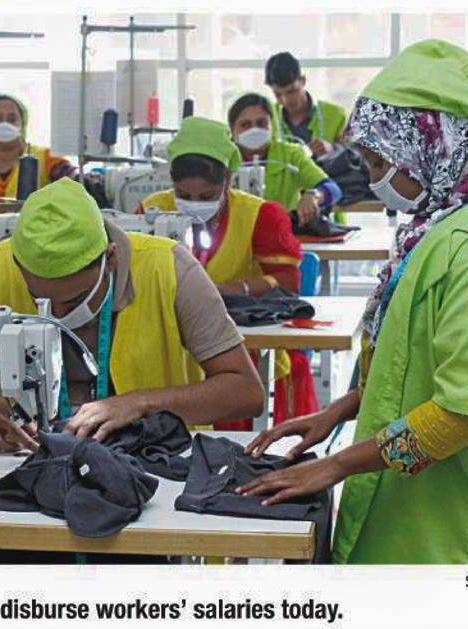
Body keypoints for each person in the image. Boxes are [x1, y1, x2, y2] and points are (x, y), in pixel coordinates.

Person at [238, 40, 468, 564]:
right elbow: (407, 360)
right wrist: (337, 411)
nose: (374, 178)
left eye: (381, 162)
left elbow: (460, 414)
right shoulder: (438, 229)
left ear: (436, 147)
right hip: (413, 518)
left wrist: (336, 465)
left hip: (458, 540)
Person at [0, 177, 264, 450]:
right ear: (19, 264)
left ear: (111, 258)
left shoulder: (170, 270)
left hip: (157, 458)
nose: (57, 315)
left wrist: (142, 404)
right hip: (32, 455)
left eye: (75, 299)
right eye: (40, 300)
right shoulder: (1, 268)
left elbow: (246, 392)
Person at [138, 116, 316, 428]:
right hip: (172, 346)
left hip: (241, 352)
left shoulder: (259, 216)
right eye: (183, 195)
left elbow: (288, 283)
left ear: (229, 180)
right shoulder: (152, 209)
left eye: (207, 196)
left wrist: (233, 290)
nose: (194, 204)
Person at [227, 92, 341, 224]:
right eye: (245, 125)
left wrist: (314, 196)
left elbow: (333, 189)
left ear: (272, 125)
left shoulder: (290, 154)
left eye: (261, 123)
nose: (254, 130)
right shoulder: (224, 158)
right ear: (232, 129)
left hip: (284, 231)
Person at [0, 93, 77, 198]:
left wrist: (81, 178)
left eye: (12, 119)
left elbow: (71, 177)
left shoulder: (45, 157)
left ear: (23, 125)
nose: (4, 124)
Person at [265, 52, 348, 159]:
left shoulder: (336, 115)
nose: (286, 101)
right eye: (278, 95)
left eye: (291, 92)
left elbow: (356, 157)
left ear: (303, 80)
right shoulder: (267, 118)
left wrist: (333, 149)